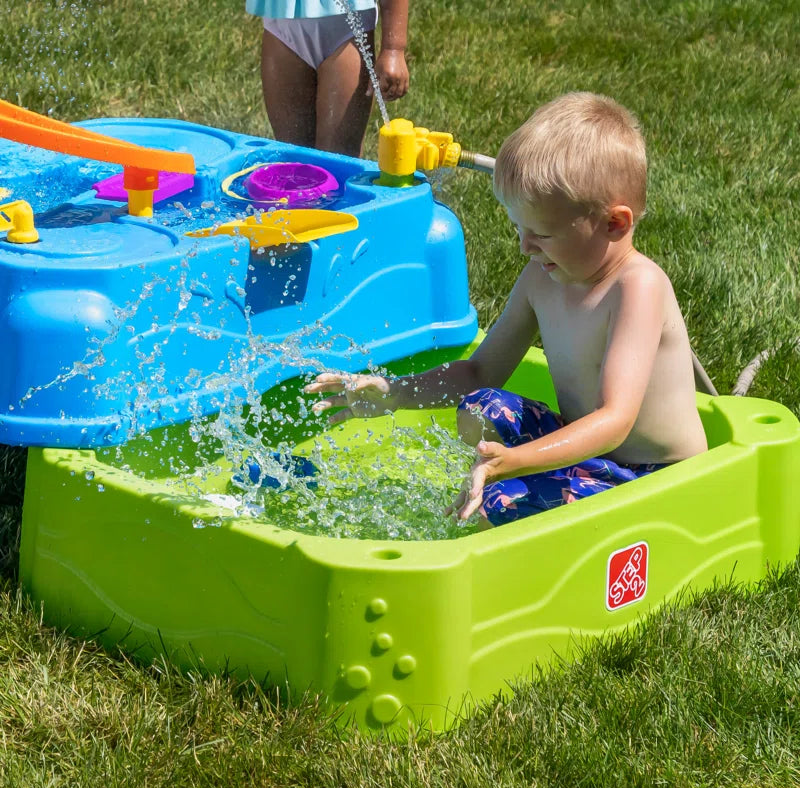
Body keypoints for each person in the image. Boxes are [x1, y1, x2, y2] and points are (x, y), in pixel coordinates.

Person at [305, 92, 708, 527]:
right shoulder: (543, 276)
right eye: (519, 228)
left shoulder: (637, 287)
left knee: (500, 502)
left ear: (615, 223)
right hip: (591, 456)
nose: (524, 246)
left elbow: (614, 421)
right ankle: (502, 492)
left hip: (655, 477)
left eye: (542, 234)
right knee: (481, 407)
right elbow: (479, 373)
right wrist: (394, 393)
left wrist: (516, 460)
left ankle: (500, 531)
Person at [246, 0, 409, 157]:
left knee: (338, 156)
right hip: (281, 24)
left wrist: (393, 48)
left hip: (345, 31)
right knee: (291, 155)